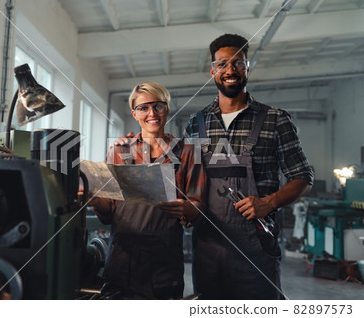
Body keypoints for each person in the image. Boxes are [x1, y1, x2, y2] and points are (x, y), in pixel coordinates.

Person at [184, 33, 314, 299]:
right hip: (207, 249)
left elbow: (303, 176)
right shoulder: (196, 124)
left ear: (247, 67)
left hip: (256, 249)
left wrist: (269, 202)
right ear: (213, 71)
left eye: (238, 62)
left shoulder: (275, 120)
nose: (230, 70)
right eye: (222, 64)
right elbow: (185, 179)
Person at [88, 81, 206, 299]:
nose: (151, 113)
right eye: (143, 108)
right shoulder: (119, 150)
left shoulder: (188, 152)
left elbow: (198, 207)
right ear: (134, 113)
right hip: (122, 260)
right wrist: (96, 201)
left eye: (157, 106)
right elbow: (108, 210)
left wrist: (186, 209)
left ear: (167, 108)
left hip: (164, 261)